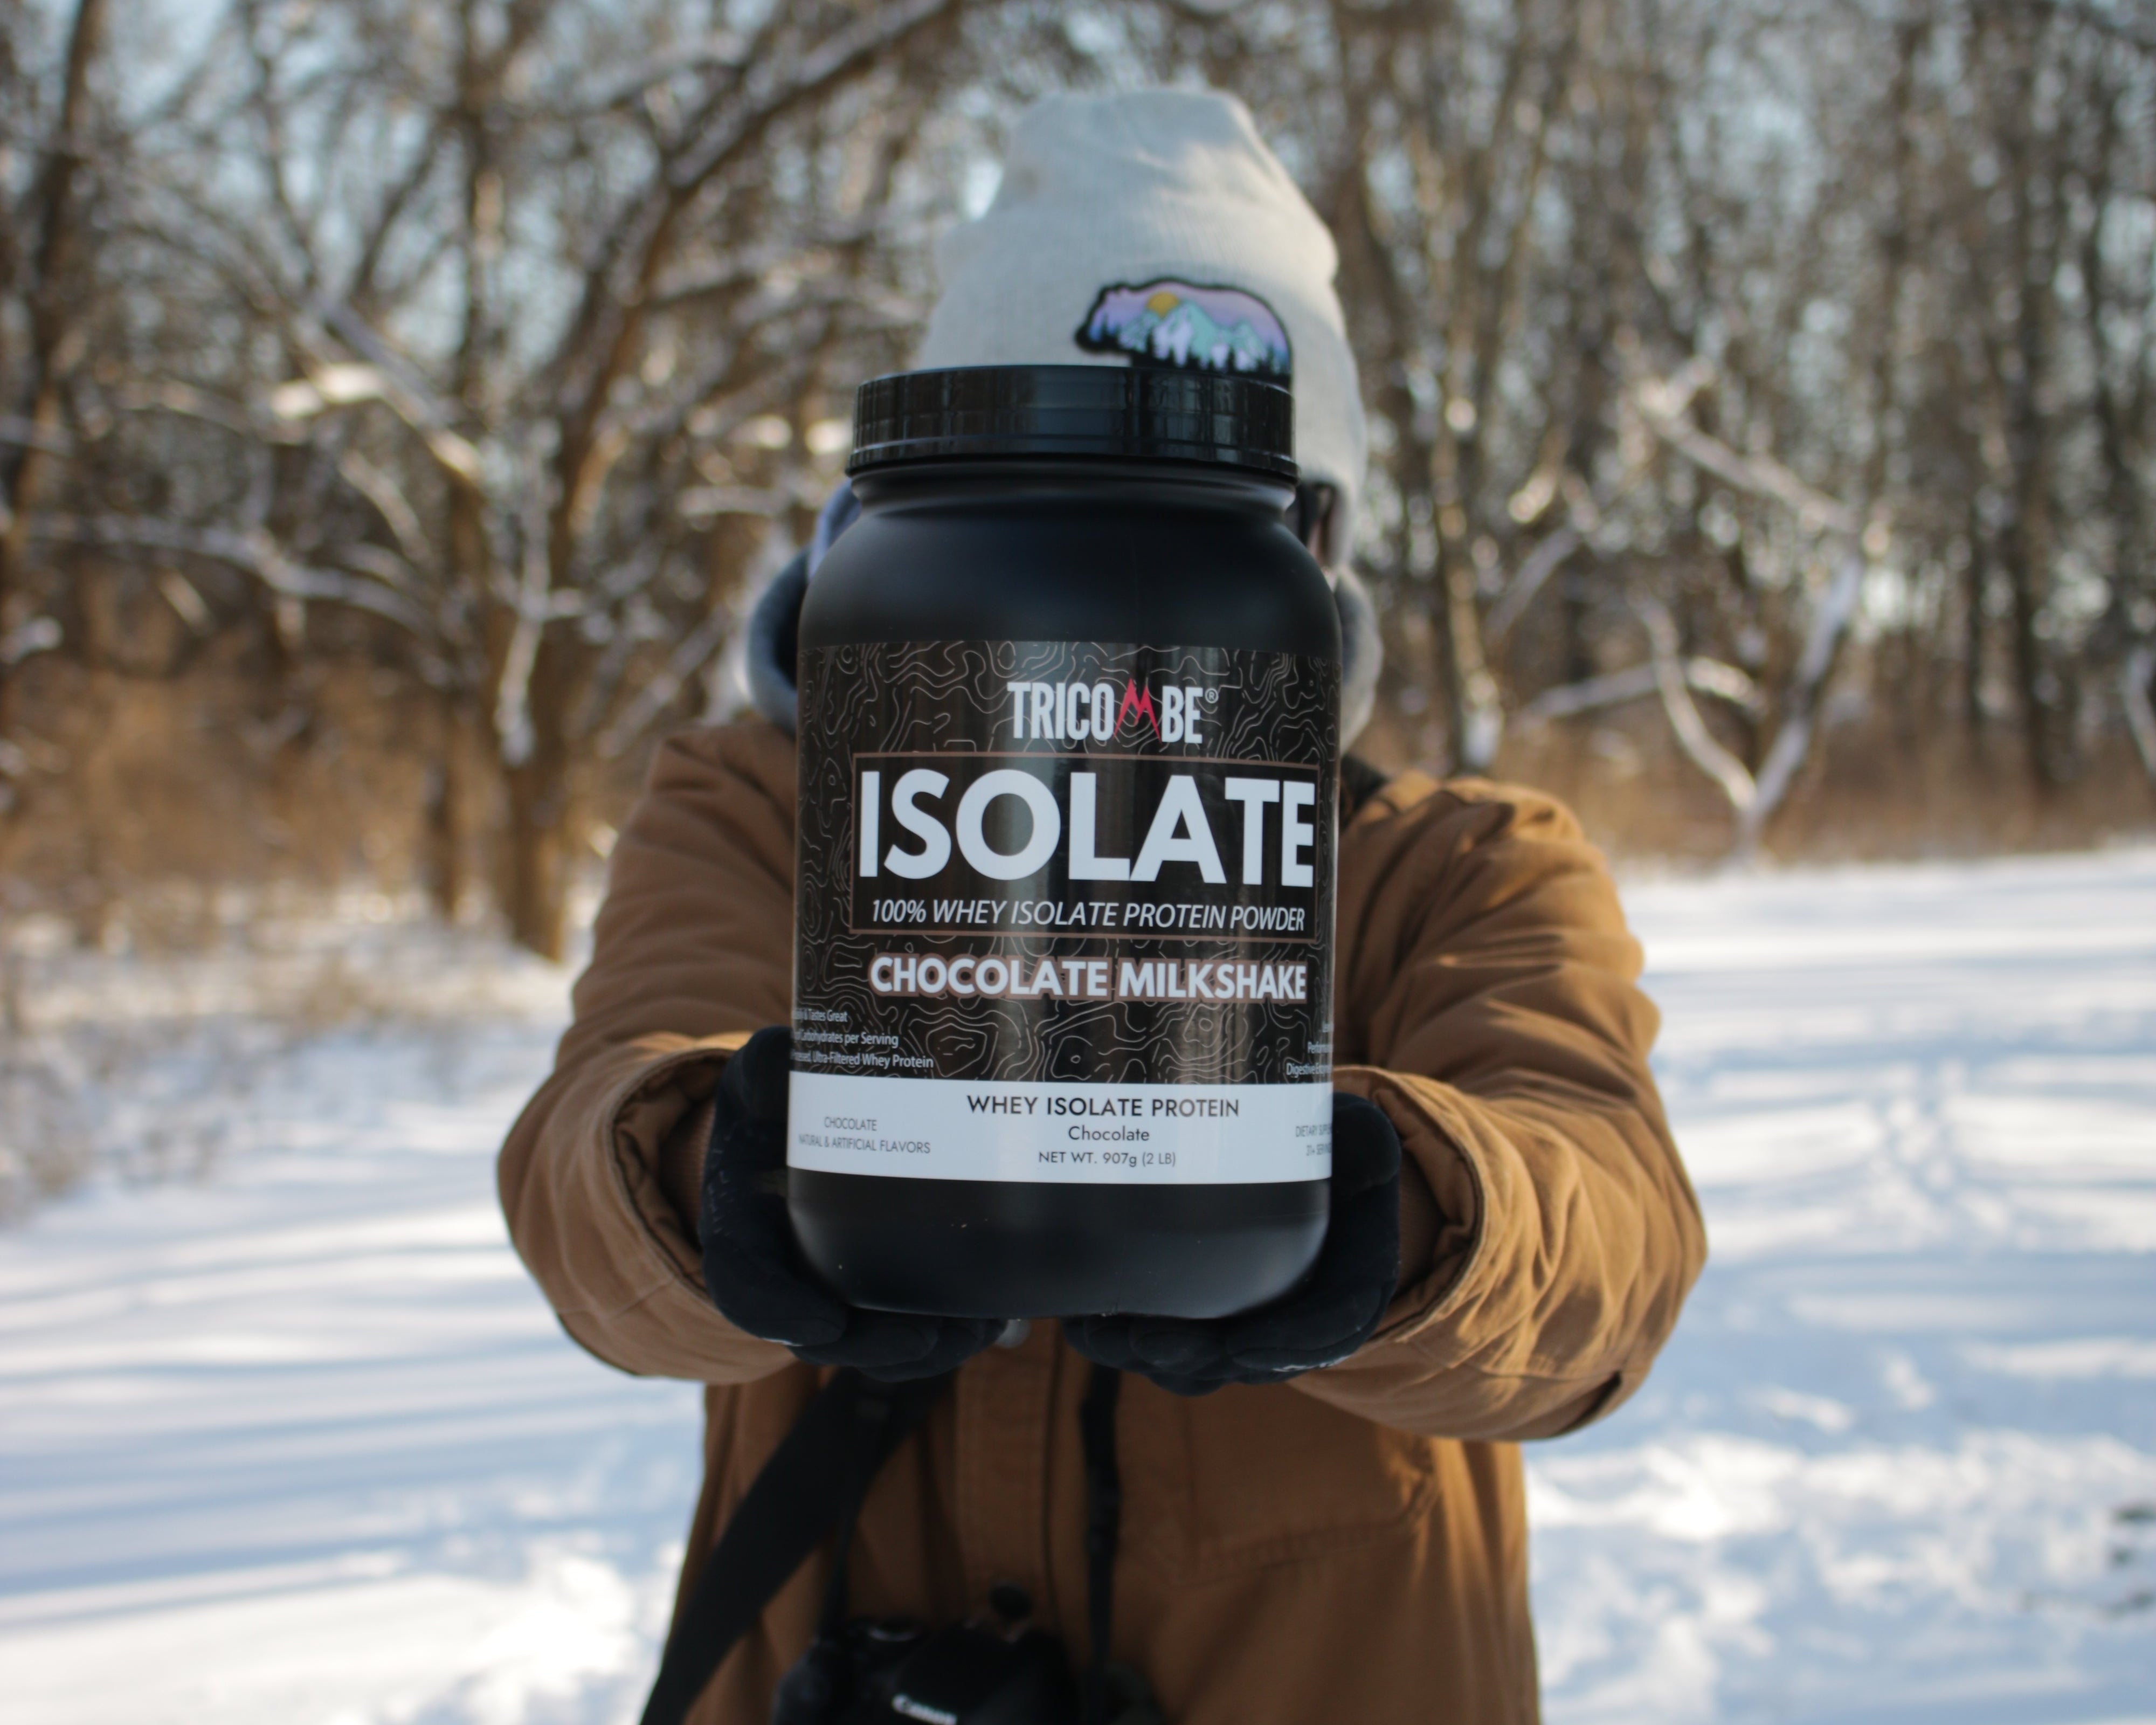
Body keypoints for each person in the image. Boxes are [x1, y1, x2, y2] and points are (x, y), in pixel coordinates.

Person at [500, 89, 1705, 1724]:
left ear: (1311, 555)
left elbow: (1610, 1255)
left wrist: (1399, 1224)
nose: (1118, 591)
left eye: (1201, 507)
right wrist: (714, 1167)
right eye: (1065, 500)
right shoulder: (758, 810)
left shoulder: (1461, 867)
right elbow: (590, 1181)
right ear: (921, 489)